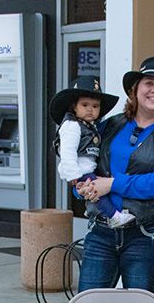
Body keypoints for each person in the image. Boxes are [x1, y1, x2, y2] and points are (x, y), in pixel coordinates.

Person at [76, 56, 154, 293]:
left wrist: (113, 184)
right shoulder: (109, 125)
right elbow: (85, 160)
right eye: (149, 83)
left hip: (144, 234)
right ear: (135, 90)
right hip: (101, 230)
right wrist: (81, 185)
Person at [49, 76, 133, 228]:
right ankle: (114, 216)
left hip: (87, 168)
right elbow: (67, 152)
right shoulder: (72, 126)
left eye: (95, 106)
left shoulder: (90, 126)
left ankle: (93, 211)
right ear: (74, 106)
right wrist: (74, 175)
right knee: (96, 192)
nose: (90, 109)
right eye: (85, 105)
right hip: (81, 170)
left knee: (96, 191)